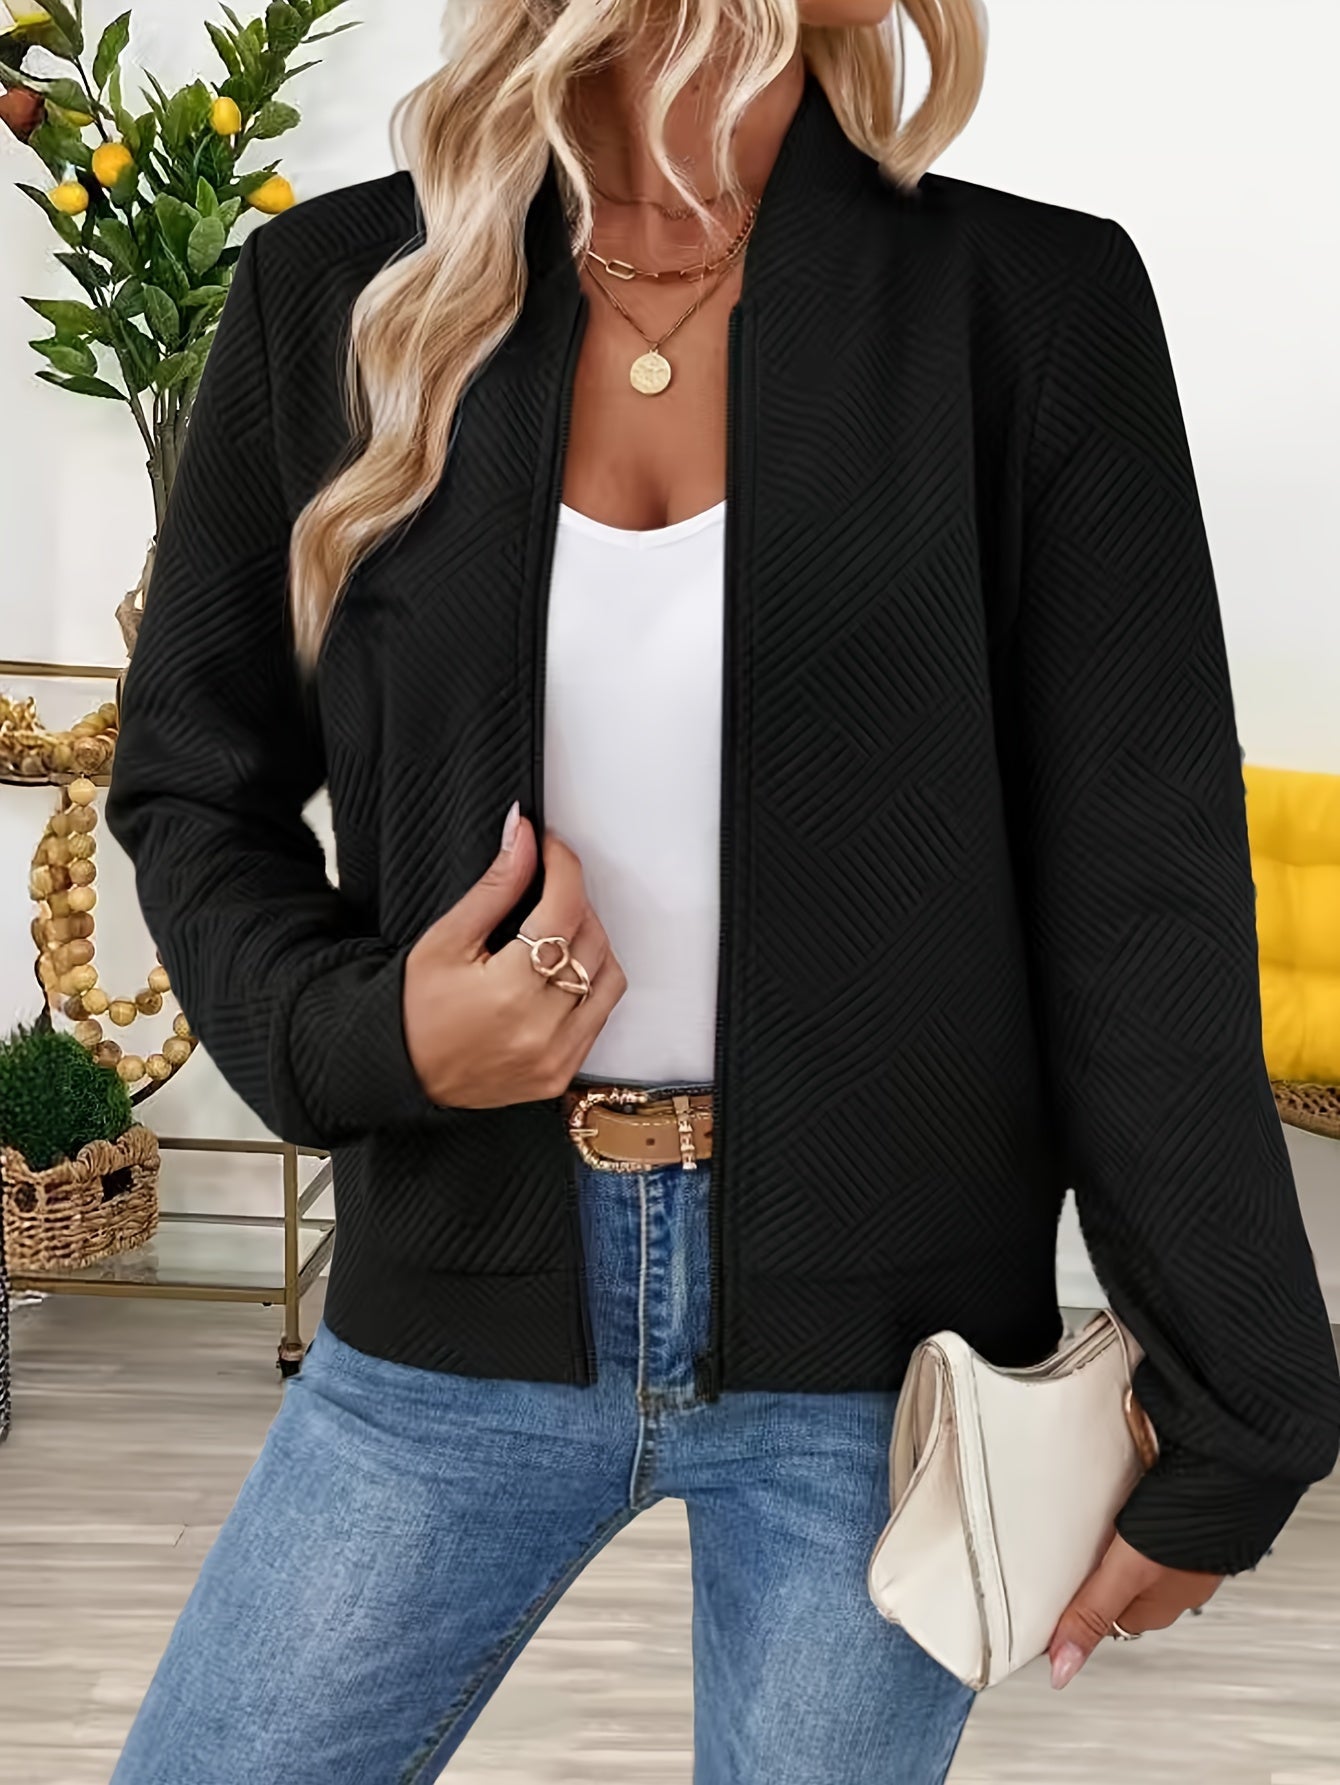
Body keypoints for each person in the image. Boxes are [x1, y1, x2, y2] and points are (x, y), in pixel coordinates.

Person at [104, 2, 1340, 1780]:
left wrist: (1245, 1403)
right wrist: (372, 1036)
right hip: (453, 1292)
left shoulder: (1027, 308)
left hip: (884, 1364)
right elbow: (189, 781)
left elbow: (1142, 888)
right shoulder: (341, 293)